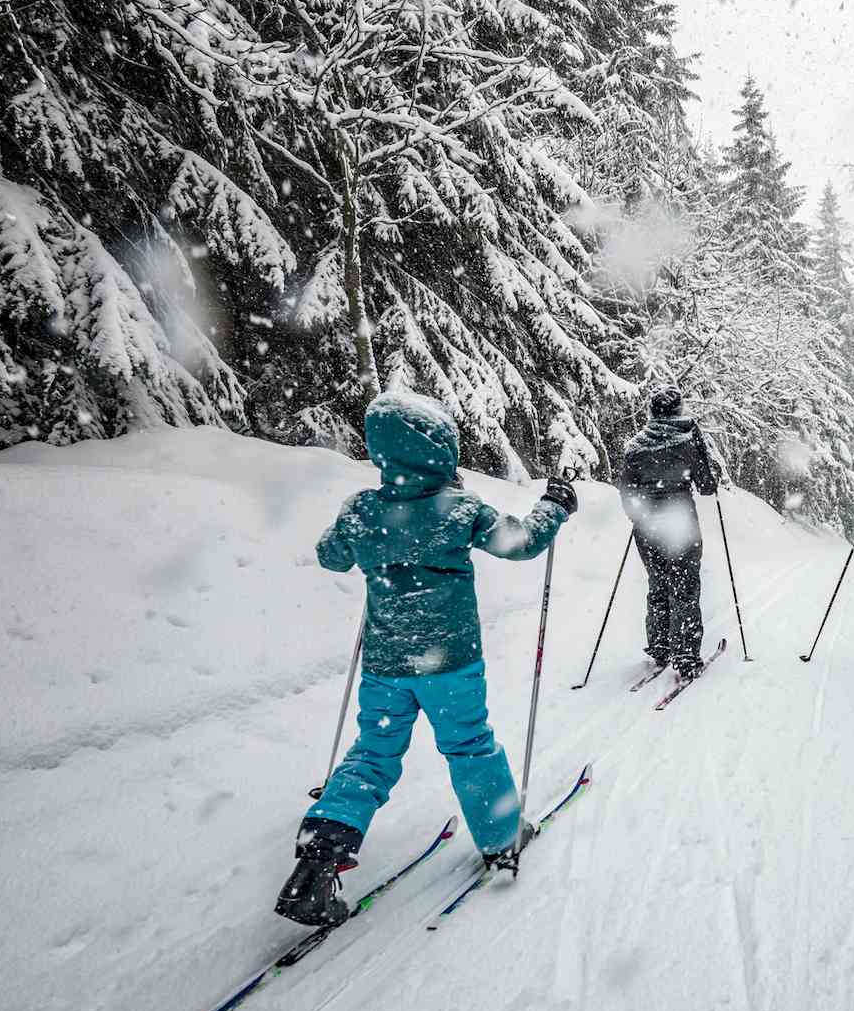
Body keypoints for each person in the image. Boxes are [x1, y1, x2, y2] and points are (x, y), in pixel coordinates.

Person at [276, 389, 578, 928]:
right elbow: (522, 542)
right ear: (440, 449)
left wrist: (365, 535)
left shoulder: (361, 511)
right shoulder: (458, 509)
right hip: (451, 663)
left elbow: (330, 556)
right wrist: (554, 506)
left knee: (371, 754)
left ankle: (318, 858)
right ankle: (500, 836)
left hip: (386, 665)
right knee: (468, 745)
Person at [619, 385, 719, 679]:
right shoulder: (687, 439)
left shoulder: (635, 446)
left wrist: (640, 515)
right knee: (685, 586)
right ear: (678, 410)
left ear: (651, 411)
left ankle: (660, 646)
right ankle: (686, 655)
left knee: (658, 583)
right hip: (680, 524)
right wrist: (700, 450)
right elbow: (707, 485)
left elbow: (626, 492)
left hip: (647, 527)